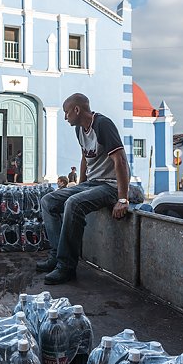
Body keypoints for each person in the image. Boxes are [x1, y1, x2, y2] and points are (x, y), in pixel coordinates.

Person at [37, 92, 130, 285]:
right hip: (92, 183)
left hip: (110, 186)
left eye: (66, 112)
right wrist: (80, 185)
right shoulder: (79, 129)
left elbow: (119, 160)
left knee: (74, 203)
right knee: (49, 201)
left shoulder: (103, 124)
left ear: (77, 110)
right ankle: (56, 255)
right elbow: (84, 159)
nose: (65, 117)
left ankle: (66, 266)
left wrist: (122, 199)